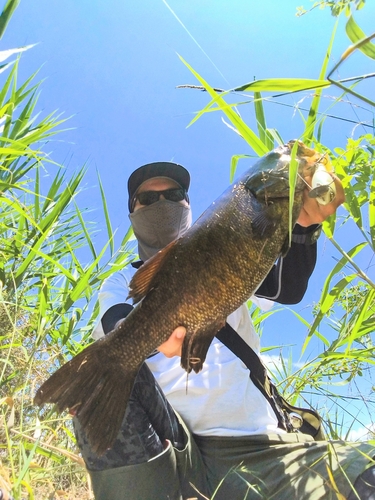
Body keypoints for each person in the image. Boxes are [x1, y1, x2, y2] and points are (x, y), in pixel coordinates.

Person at [74, 160, 375, 500]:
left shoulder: (227, 243)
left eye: (173, 194)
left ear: (188, 204)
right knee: (98, 374)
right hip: (175, 456)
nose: (161, 204)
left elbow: (287, 288)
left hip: (265, 449)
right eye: (147, 199)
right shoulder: (119, 282)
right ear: (132, 213)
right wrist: (157, 336)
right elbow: (117, 326)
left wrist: (303, 224)